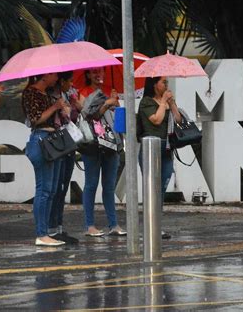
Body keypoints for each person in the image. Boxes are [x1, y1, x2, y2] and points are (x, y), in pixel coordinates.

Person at [22, 73, 70, 246]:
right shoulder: (30, 93)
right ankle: (41, 233)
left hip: (54, 139)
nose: (57, 77)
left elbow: (61, 118)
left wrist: (63, 108)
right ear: (44, 75)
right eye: (54, 74)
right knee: (43, 189)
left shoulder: (50, 94)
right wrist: (54, 107)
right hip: (41, 140)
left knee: (52, 189)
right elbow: (35, 119)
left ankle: (47, 231)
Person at [78, 68, 127, 237]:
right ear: (88, 74)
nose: (98, 75)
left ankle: (113, 224)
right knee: (91, 184)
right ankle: (89, 225)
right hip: (92, 144)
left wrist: (116, 103)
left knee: (109, 186)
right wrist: (106, 104)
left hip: (111, 144)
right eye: (94, 72)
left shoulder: (110, 91)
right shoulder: (83, 93)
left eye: (101, 72)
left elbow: (119, 119)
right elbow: (87, 117)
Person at [137, 76, 182, 239]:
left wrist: (172, 104)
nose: (166, 85)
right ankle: (148, 227)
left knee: (162, 187)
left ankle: (157, 225)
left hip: (167, 148)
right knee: (152, 189)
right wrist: (163, 102)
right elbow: (156, 120)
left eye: (167, 82)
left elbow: (178, 120)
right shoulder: (146, 102)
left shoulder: (166, 103)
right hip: (151, 148)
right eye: (163, 82)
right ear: (155, 84)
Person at [47, 71, 80, 244]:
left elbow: (74, 117)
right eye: (69, 81)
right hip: (57, 144)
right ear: (62, 81)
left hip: (68, 144)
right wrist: (62, 110)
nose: (71, 84)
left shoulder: (67, 95)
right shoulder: (51, 96)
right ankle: (51, 227)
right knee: (55, 186)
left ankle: (59, 225)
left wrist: (73, 106)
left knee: (64, 185)